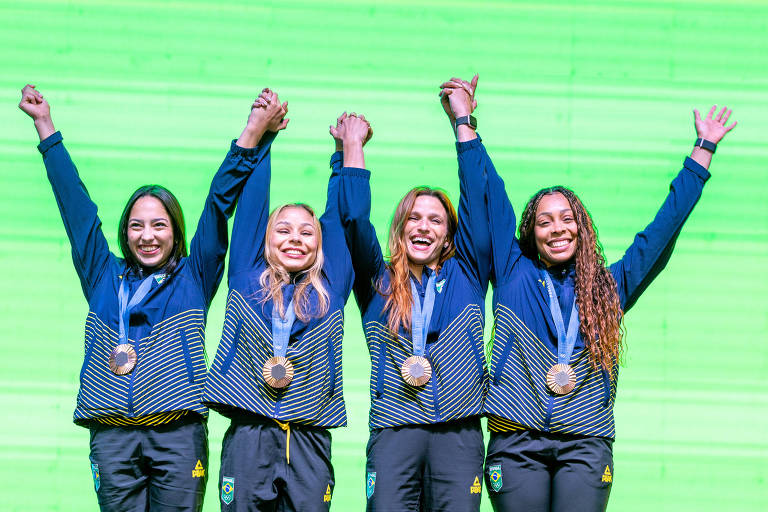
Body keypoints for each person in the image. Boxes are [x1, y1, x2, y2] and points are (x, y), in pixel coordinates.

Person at [18, 83, 281, 512]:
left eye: (159, 225)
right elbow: (77, 209)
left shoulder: (196, 275)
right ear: (125, 232)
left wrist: (250, 136)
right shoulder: (103, 275)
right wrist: (46, 128)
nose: (147, 235)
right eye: (137, 226)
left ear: (175, 232)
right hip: (112, 435)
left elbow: (218, 205)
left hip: (178, 434)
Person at [481, 104, 737, 511]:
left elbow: (661, 230)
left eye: (567, 218)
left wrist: (701, 152)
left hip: (586, 443)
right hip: (516, 442)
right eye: (544, 221)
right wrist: (465, 124)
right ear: (530, 232)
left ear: (581, 228)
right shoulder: (513, 273)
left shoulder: (610, 287)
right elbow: (489, 194)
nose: (557, 228)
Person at [337, 76, 492, 511]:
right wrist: (353, 150)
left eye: (436, 221)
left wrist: (462, 120)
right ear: (401, 227)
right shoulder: (377, 280)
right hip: (394, 432)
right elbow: (353, 221)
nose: (423, 226)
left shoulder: (468, 274)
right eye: (414, 218)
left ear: (448, 236)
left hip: (458, 434)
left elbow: (478, 198)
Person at [202, 90, 358, 511]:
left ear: (319, 244)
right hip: (249, 434)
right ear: (267, 239)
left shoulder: (332, 286)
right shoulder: (246, 277)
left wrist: (342, 157)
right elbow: (252, 205)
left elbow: (341, 218)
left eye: (306, 232)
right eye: (283, 230)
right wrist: (264, 137)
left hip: (309, 437)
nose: (295, 238)